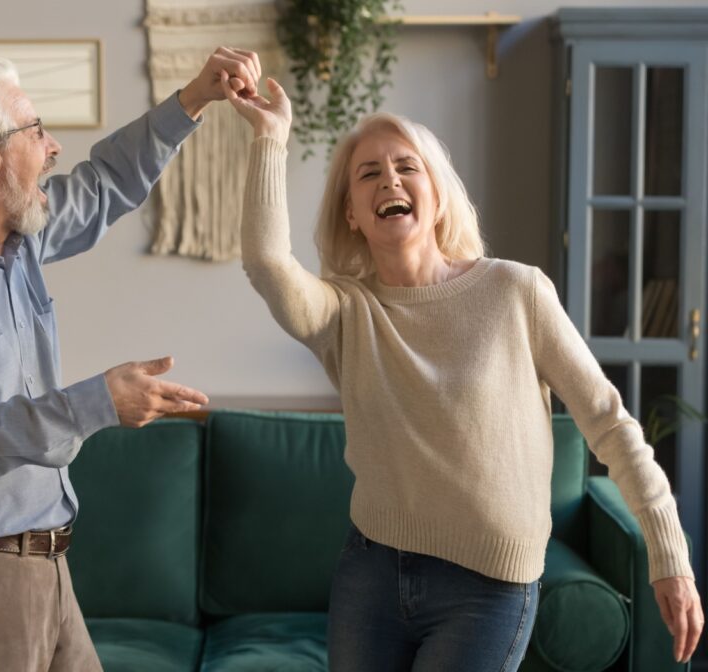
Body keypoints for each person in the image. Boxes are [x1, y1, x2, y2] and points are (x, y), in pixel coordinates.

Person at [223, 74, 704, 670]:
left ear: (438, 195)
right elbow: (268, 263)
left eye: (406, 166)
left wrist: (670, 553)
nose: (390, 180)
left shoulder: (515, 292)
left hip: (489, 588)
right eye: (369, 173)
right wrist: (271, 138)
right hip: (372, 573)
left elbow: (607, 421)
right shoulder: (344, 312)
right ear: (352, 213)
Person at [0, 47, 263, 672]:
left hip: (46, 568)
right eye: (35, 131)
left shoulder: (20, 246)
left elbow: (106, 183)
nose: (53, 147)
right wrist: (97, 403)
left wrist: (193, 99)